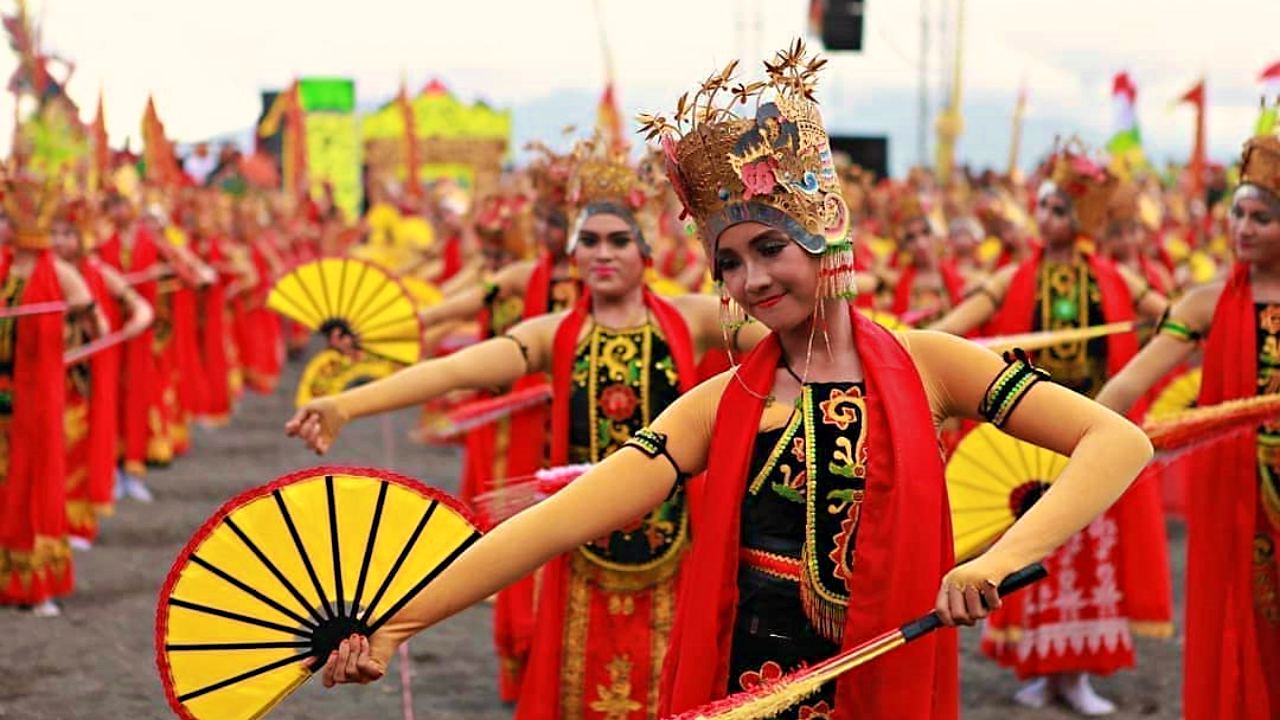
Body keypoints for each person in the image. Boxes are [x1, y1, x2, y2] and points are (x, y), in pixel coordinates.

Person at [299, 43, 1153, 720]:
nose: (748, 281)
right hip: (754, 683)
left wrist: (999, 563)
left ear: (824, 237)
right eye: (728, 263)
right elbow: (560, 521)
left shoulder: (931, 363)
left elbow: (1118, 440)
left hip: (886, 671)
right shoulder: (722, 404)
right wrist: (396, 624)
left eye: (768, 250)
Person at [288, 135, 767, 718]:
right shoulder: (552, 333)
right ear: (573, 253)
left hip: (676, 542)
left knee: (668, 678)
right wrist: (348, 404)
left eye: (619, 240)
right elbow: (456, 369)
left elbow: (792, 340)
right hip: (578, 537)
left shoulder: (692, 319)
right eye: (589, 241)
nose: (603, 253)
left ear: (645, 251)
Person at [932, 147, 1172, 715]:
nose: (1046, 217)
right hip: (1032, 441)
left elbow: (1175, 318)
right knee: (1034, 548)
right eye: (1042, 206)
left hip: (1095, 435)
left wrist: (1166, 319)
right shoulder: (1016, 274)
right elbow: (954, 328)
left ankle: (1078, 674)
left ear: (1083, 218)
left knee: (1091, 558)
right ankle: (1042, 670)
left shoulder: (1116, 278)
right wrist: (911, 344)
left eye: (1059, 208)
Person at [1094, 129, 1280, 720]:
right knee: (1245, 623)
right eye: (1238, 214)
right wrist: (1077, 428)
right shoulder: (1204, 303)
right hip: (1242, 498)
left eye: (1262, 217)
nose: (1244, 228)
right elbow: (1129, 384)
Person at [0, 172, 94, 616]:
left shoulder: (56, 270)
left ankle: (35, 584)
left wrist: (67, 324)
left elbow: (89, 307)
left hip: (32, 394)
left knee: (31, 482)